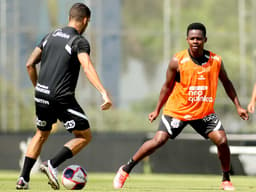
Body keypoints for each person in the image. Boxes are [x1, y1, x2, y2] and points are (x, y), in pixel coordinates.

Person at [113, 22, 249, 191]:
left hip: (203, 113)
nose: (195, 41)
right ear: (187, 39)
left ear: (205, 40)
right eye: (192, 38)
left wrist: (238, 106)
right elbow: (166, 87)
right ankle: (125, 169)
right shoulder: (177, 61)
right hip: (178, 111)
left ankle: (226, 179)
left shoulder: (216, 61)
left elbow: (227, 83)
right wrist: (157, 109)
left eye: (199, 38)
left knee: (222, 140)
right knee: (158, 140)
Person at [16, 3, 112, 190]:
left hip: (41, 96)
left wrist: (38, 88)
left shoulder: (50, 36)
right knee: (84, 135)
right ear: (85, 20)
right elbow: (87, 66)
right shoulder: (79, 41)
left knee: (41, 134)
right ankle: (51, 164)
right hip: (61, 97)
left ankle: (23, 179)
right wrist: (103, 92)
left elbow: (29, 64)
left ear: (70, 17)